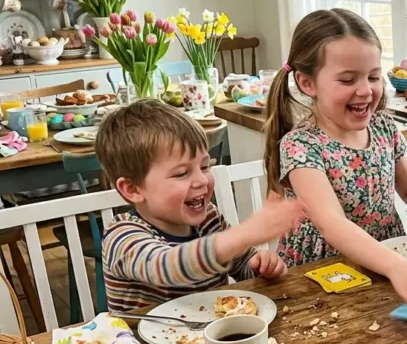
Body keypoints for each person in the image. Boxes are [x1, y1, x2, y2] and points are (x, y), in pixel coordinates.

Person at [263, 8, 407, 309]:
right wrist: (396, 266)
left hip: (387, 261)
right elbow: (332, 224)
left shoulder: (383, 126)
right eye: (348, 80)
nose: (366, 90)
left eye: (374, 76)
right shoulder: (300, 146)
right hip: (325, 276)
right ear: (307, 83)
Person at [100, 100, 306, 313]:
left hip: (213, 337)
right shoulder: (123, 236)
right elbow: (167, 267)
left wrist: (260, 265)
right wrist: (245, 234)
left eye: (205, 166)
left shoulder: (209, 218)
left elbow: (241, 263)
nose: (202, 180)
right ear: (133, 189)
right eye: (181, 173)